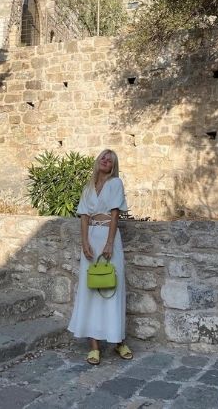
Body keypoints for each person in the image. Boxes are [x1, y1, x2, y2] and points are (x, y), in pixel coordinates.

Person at [67, 148, 133, 365]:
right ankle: (94, 346)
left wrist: (109, 243)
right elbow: (84, 217)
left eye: (110, 159)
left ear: (113, 166)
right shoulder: (88, 188)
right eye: (103, 157)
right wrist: (84, 242)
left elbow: (115, 214)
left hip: (108, 237)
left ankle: (118, 341)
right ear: (98, 161)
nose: (106, 160)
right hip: (91, 240)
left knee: (112, 288)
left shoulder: (116, 183)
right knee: (90, 289)